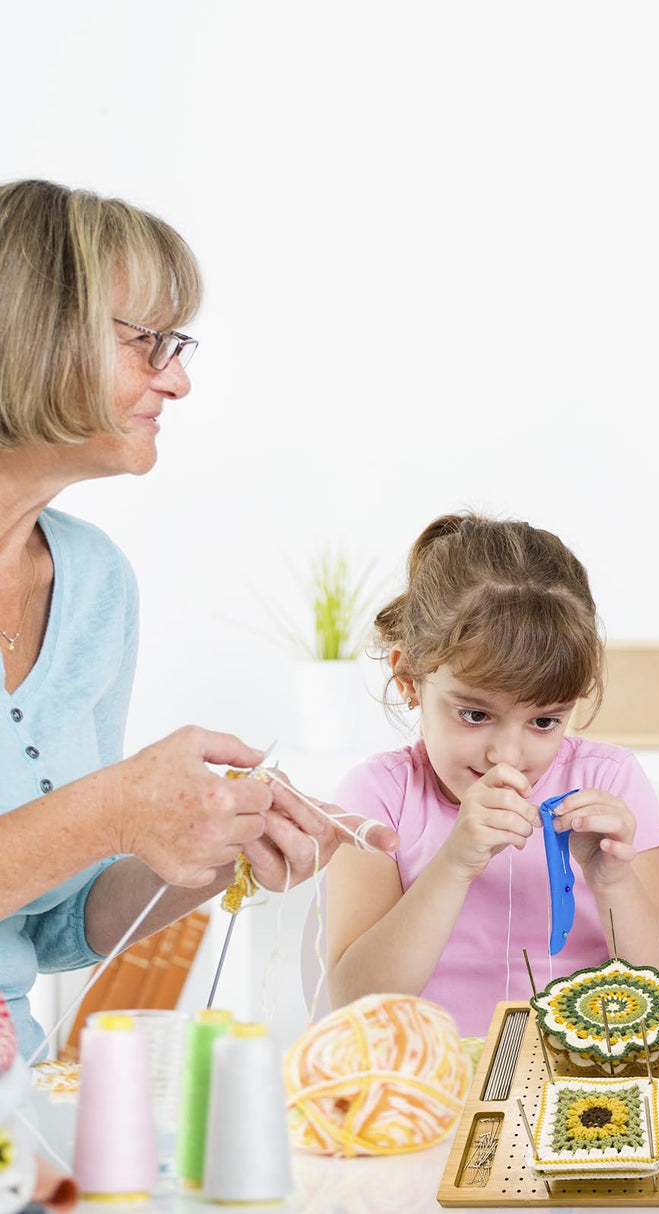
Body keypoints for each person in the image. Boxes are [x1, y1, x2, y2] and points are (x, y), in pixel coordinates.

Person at [0, 179, 397, 1058]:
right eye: (145, 341)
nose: (176, 380)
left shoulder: (95, 583)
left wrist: (214, 846)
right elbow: (90, 823)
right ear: (29, 332)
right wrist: (112, 809)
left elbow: (54, 925)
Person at [325, 512, 659, 1036]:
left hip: (584, 1075)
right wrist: (454, 863)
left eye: (544, 722)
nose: (507, 756)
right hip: (432, 1075)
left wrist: (614, 882)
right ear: (408, 678)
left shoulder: (609, 780)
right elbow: (354, 1002)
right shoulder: (378, 796)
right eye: (474, 714)